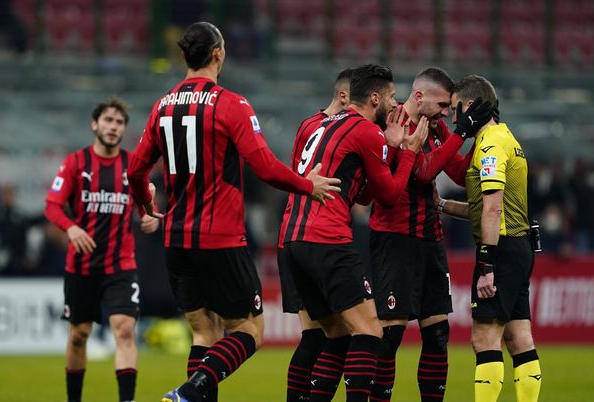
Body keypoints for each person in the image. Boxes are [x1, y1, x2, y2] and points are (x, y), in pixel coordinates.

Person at [126, 22, 341, 402]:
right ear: (218, 54)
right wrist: (309, 185)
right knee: (249, 330)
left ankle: (190, 394)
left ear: (183, 57)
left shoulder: (162, 106)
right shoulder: (231, 104)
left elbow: (135, 171)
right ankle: (191, 392)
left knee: (203, 334)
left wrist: (147, 201)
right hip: (220, 239)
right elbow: (264, 166)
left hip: (176, 240)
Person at [280, 63, 427, 402]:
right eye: (391, 96)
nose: (395, 103)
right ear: (374, 97)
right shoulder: (365, 131)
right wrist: (406, 153)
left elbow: (361, 193)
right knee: (370, 331)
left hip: (292, 238)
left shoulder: (323, 123)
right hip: (327, 238)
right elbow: (389, 197)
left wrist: (387, 150)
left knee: (335, 334)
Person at [364, 67, 493, 402]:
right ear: (419, 97)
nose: (447, 114)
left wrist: (480, 136)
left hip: (430, 241)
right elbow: (422, 172)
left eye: (451, 109)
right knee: (390, 336)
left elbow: (461, 174)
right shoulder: (392, 123)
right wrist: (459, 134)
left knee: (437, 334)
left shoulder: (435, 128)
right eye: (442, 106)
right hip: (394, 241)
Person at [43, 97, 161, 402]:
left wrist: (150, 218)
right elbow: (52, 205)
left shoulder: (132, 166)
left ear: (124, 129)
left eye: (119, 122)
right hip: (81, 265)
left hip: (120, 264)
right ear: (95, 124)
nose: (113, 127)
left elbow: (146, 209)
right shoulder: (75, 163)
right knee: (79, 334)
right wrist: (70, 227)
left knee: (123, 330)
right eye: (108, 120)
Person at [447, 75, 541, 402]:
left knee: (485, 339)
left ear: (470, 107)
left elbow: (492, 208)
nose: (452, 117)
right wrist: (442, 205)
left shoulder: (488, 145)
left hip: (500, 250)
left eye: (455, 109)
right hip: (520, 245)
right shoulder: (506, 138)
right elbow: (482, 206)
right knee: (518, 337)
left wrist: (486, 263)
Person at [277, 67, 353, 401]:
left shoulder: (309, 126)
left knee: (316, 336)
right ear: (343, 96)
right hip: (312, 236)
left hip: (293, 235)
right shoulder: (323, 128)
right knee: (326, 335)